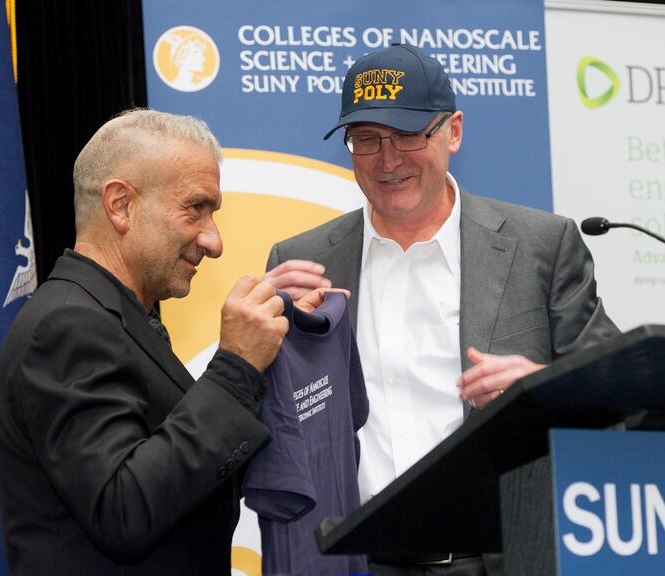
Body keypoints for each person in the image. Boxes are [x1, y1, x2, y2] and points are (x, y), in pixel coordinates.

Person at [264, 44, 620, 575]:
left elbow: (616, 396)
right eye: (365, 140)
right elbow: (274, 424)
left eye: (408, 135)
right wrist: (252, 335)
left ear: (453, 130)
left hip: (501, 559)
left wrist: (543, 388)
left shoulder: (542, 246)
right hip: (357, 561)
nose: (387, 161)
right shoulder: (303, 261)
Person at [0, 109, 327, 575]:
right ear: (120, 205)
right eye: (196, 208)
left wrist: (270, 343)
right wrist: (235, 366)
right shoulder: (68, 325)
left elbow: (185, 473)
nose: (214, 241)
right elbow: (124, 509)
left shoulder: (119, 318)